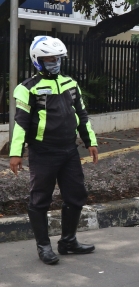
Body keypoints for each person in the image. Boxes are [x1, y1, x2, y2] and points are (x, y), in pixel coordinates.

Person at [9, 36, 98, 265]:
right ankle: (44, 246)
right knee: (40, 200)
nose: (55, 63)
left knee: (76, 196)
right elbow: (20, 123)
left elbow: (82, 115)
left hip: (69, 150)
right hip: (43, 152)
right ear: (38, 61)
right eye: (49, 59)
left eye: (58, 59)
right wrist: (16, 153)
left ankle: (68, 241)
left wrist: (91, 142)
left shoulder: (70, 83)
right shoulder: (27, 89)